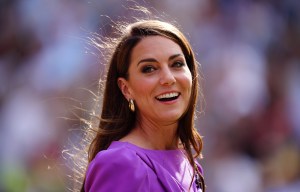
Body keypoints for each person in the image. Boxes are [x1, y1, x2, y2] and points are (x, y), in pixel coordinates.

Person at [80, 18, 206, 192]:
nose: (168, 78)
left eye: (176, 64)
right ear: (126, 88)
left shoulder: (189, 164)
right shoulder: (120, 164)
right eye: (149, 69)